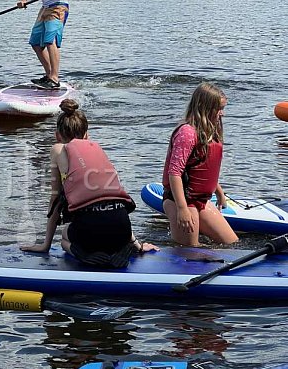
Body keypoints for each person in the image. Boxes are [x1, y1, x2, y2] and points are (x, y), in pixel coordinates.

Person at [20, 100, 157, 267]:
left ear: (57, 136)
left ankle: (86, 256)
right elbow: (111, 199)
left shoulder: (57, 149)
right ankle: (123, 249)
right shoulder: (97, 150)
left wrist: (45, 245)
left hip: (90, 232)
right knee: (109, 216)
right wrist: (138, 245)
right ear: (87, 135)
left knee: (64, 238)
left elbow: (55, 200)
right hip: (122, 228)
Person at [162, 82, 238, 247]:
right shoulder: (187, 133)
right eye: (219, 109)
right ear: (205, 107)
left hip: (201, 201)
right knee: (190, 250)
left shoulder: (210, 132)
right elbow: (175, 172)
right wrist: (182, 209)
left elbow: (202, 169)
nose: (222, 114)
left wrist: (219, 192)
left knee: (232, 244)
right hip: (182, 201)